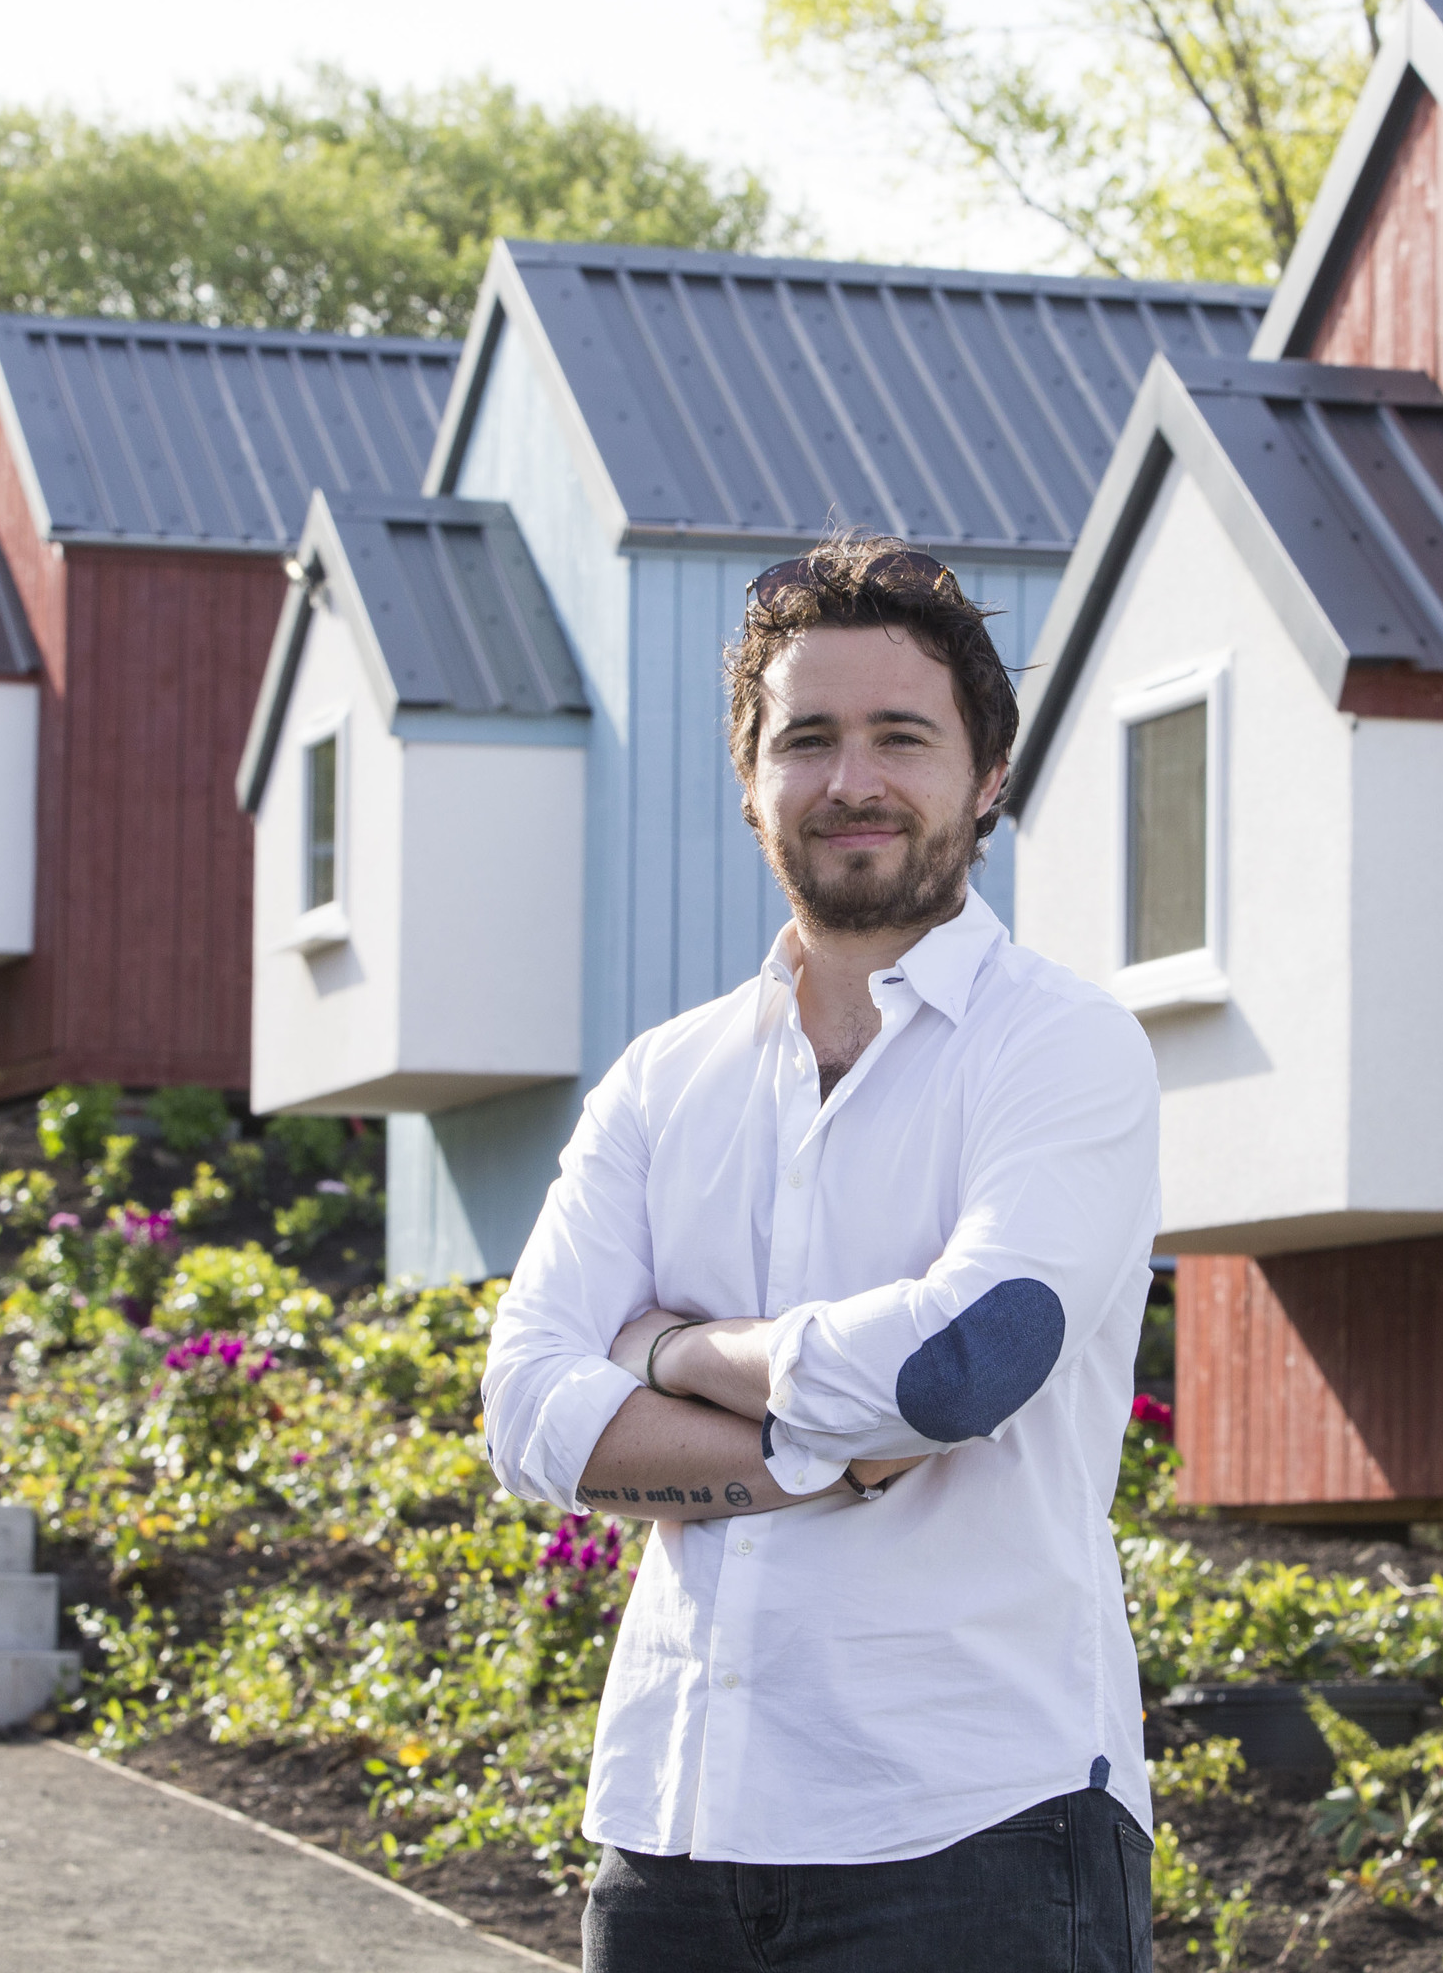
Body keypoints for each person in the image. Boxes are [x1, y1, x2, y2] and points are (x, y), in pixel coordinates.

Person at [481, 531, 1165, 1971]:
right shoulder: (664, 1083)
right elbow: (526, 1409)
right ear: (750, 783)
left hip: (976, 1835)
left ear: (986, 779)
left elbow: (952, 1371)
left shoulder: (1066, 1051)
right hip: (673, 1841)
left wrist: (671, 1352)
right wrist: (822, 1456)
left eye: (900, 736)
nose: (851, 780)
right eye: (808, 740)